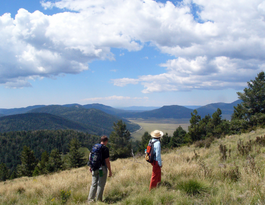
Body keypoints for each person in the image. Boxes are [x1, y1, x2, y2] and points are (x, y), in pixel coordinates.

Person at [88, 135, 112, 203]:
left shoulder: (95, 147)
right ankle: (99, 200)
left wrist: (90, 166)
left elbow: (90, 156)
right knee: (100, 184)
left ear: (101, 140)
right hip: (102, 168)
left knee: (93, 184)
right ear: (106, 141)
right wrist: (110, 170)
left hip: (94, 167)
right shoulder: (105, 149)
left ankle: (90, 200)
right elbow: (107, 161)